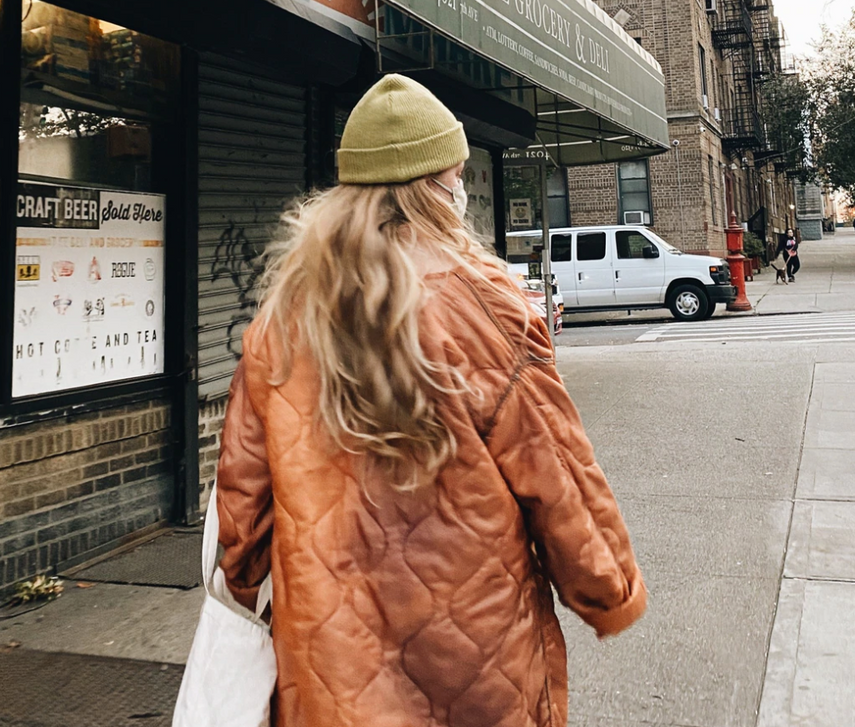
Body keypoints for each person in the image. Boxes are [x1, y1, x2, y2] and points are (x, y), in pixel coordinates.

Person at [215, 74, 646, 727]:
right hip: (475, 659)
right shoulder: (484, 301)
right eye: (459, 171)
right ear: (435, 183)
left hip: (331, 665)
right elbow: (555, 471)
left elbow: (240, 505)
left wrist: (241, 585)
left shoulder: (282, 316)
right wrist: (607, 586)